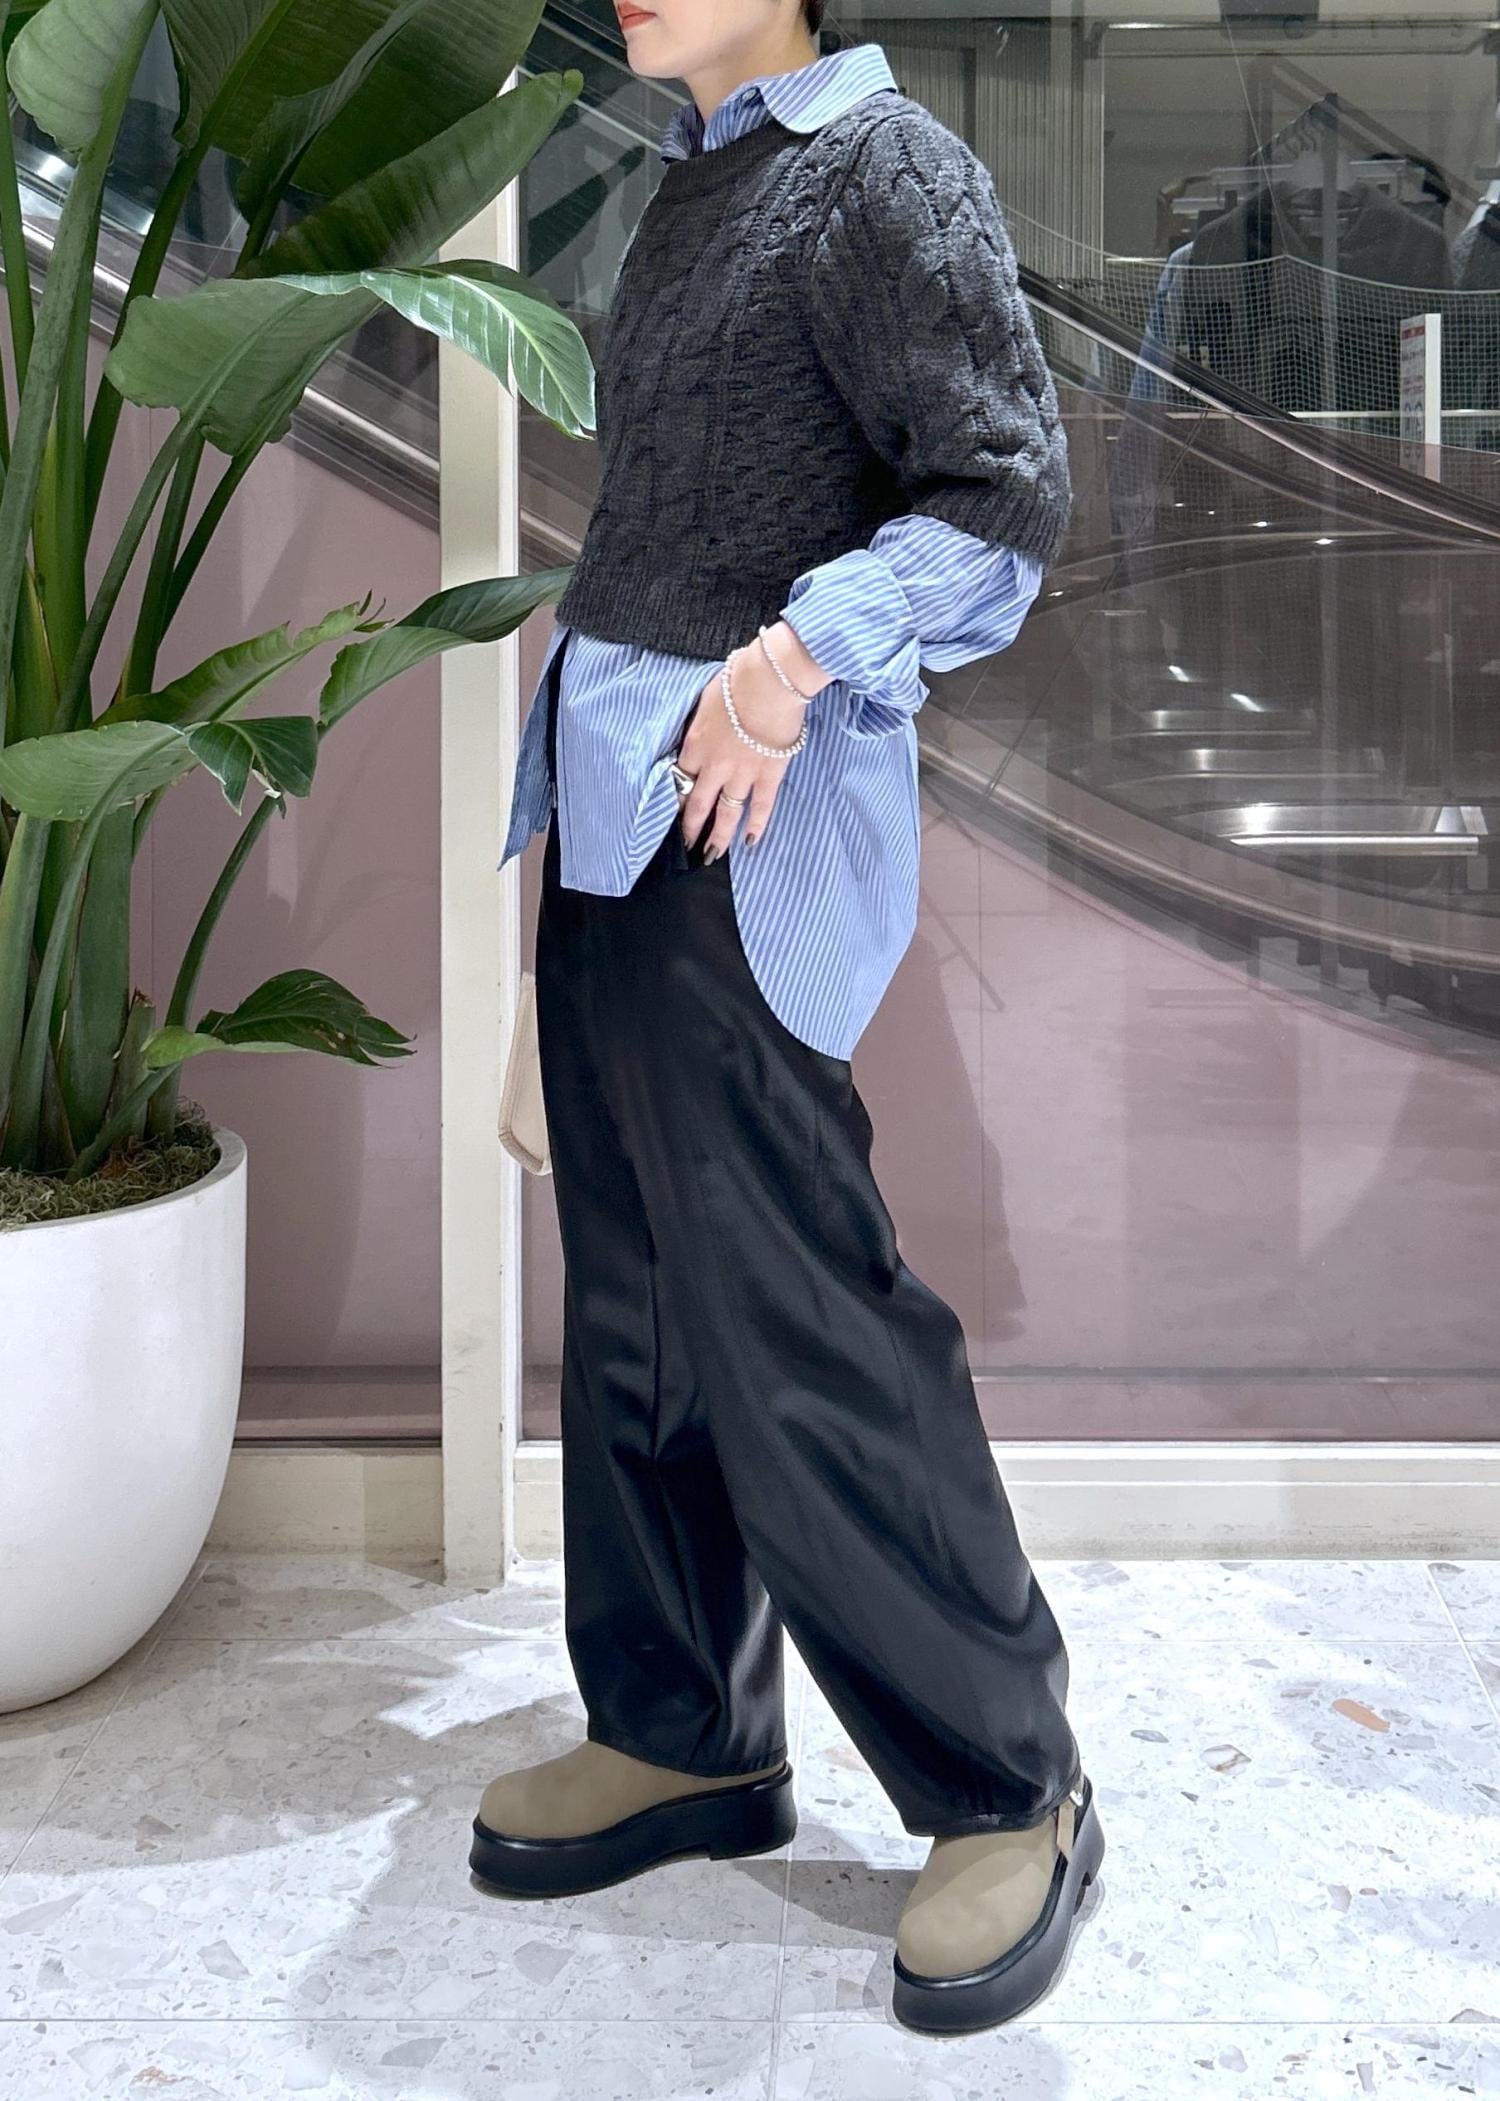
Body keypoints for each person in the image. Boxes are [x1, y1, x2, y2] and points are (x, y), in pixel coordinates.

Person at [471, 0, 1104, 2036]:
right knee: (640, 1309)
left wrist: (791, 661)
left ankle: (1008, 1776)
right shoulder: (697, 183)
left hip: (736, 825)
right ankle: (683, 1732)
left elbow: (1001, 493)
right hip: (611, 808)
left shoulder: (882, 172)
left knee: (799, 1313)